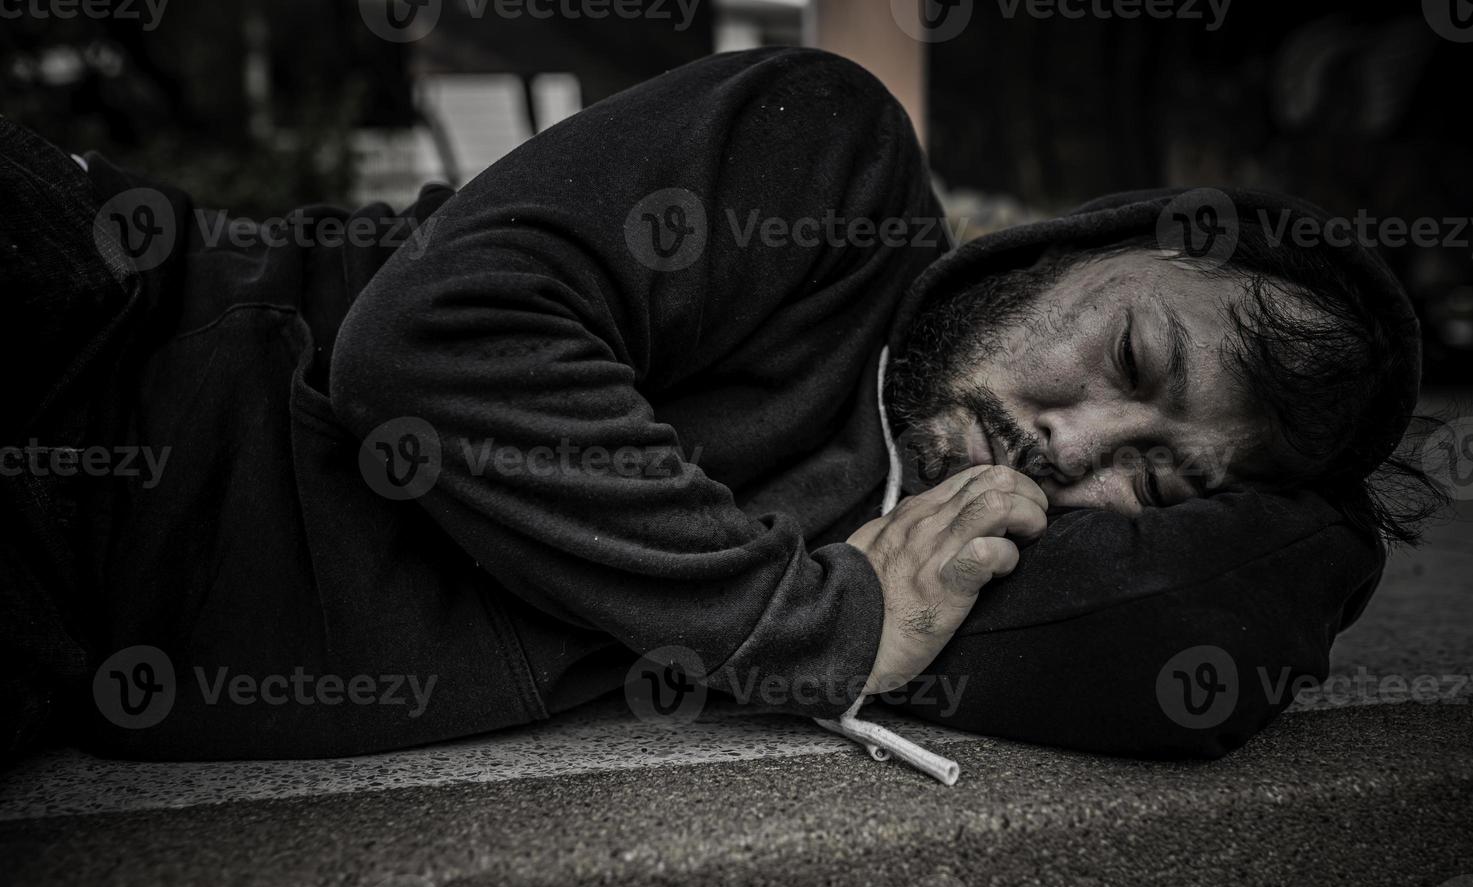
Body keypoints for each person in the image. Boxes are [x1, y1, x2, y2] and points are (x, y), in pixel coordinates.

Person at [0, 47, 1442, 762]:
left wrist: (1314, 506)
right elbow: (435, 348)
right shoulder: (828, 171)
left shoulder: (960, 546)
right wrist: (816, 627)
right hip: (93, 331)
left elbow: (1220, 621)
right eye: (1130, 362)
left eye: (1160, 481)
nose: (1071, 447)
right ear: (1067, 248)